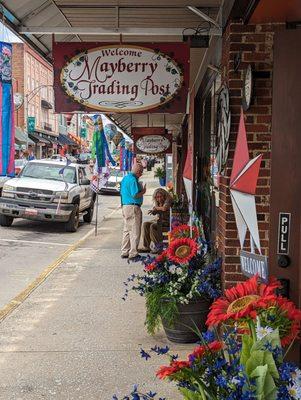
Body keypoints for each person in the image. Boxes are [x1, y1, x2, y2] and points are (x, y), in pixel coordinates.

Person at [120, 163, 146, 260]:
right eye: (141, 172)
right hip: (133, 207)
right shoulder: (133, 179)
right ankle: (133, 253)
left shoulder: (125, 178)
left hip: (125, 206)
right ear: (138, 172)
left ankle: (124, 251)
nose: (141, 174)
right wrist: (143, 191)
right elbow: (135, 195)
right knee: (135, 230)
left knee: (127, 230)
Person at [140, 188, 172, 253]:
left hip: (167, 221)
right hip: (160, 219)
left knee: (153, 226)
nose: (159, 198)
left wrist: (155, 208)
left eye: (161, 196)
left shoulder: (168, 199)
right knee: (145, 224)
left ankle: (158, 247)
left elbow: (164, 208)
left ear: (164, 195)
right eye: (157, 197)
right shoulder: (157, 201)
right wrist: (154, 210)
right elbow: (157, 210)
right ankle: (146, 247)